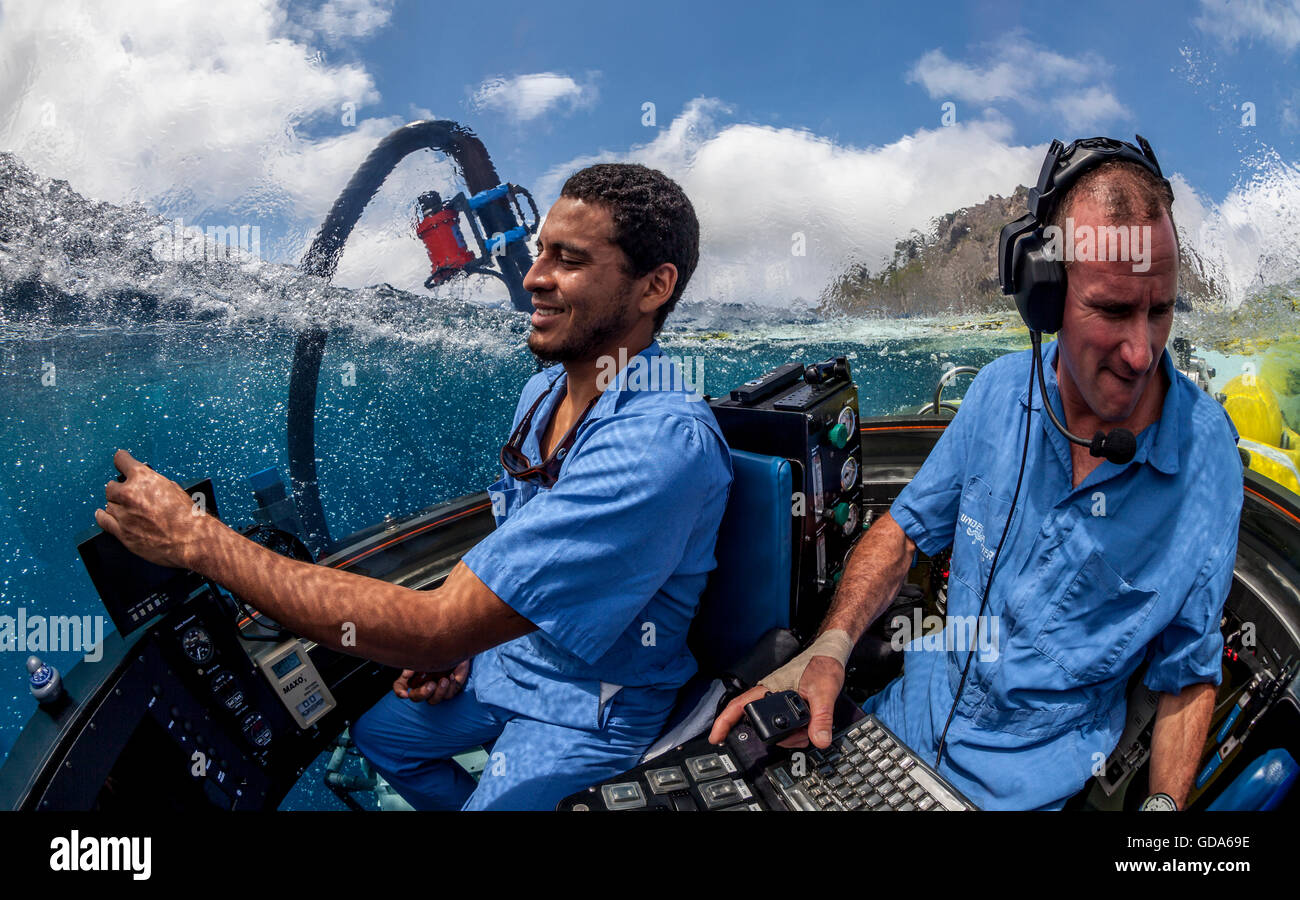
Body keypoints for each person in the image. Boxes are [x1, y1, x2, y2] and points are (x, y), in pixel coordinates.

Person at [97, 163, 733, 810]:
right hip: (511, 660)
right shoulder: (542, 392)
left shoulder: (660, 444)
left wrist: (196, 540)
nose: (535, 277)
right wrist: (467, 648)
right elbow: (511, 555)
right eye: (540, 251)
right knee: (381, 739)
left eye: (568, 260)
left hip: (597, 699)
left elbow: (436, 627)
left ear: (654, 287)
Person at [712, 137, 1243, 811]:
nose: (1141, 352)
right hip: (896, 728)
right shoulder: (996, 393)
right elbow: (902, 532)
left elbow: (1187, 675)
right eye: (1111, 311)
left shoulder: (1206, 458)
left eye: (1160, 309)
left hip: (1018, 796)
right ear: (1045, 298)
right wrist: (831, 648)